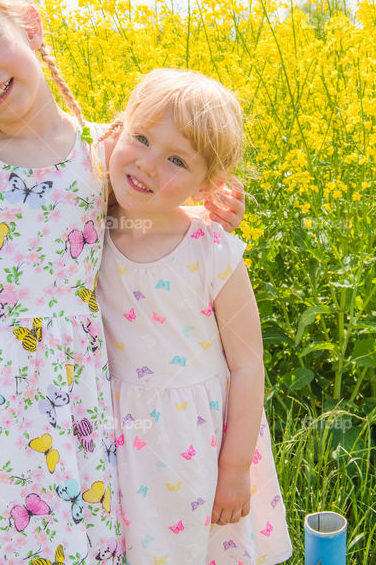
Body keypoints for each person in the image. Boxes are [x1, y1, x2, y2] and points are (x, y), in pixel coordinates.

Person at [0, 0, 245, 564]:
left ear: (32, 28)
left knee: (60, 534)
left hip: (62, 388)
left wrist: (210, 206)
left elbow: (155, 207)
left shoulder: (101, 152)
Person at [97, 69, 292, 564]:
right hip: (120, 437)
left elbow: (249, 365)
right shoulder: (87, 227)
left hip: (201, 441)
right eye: (140, 138)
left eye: (177, 160)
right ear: (116, 132)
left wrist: (233, 470)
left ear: (209, 183)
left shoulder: (213, 250)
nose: (147, 164)